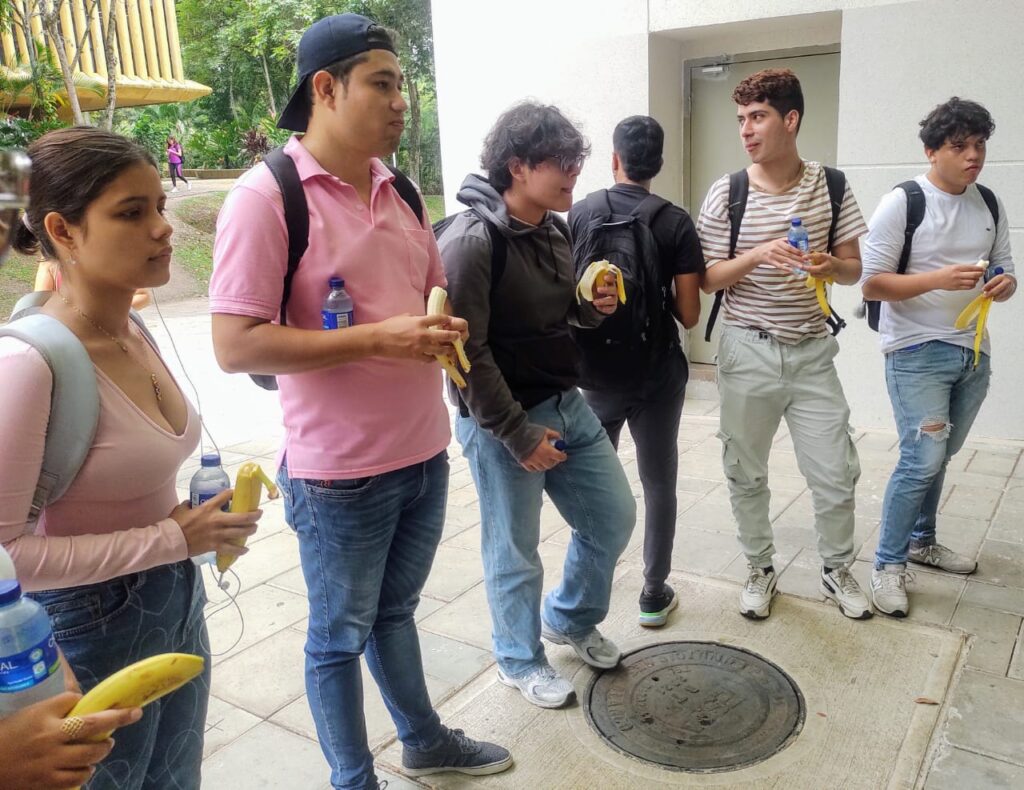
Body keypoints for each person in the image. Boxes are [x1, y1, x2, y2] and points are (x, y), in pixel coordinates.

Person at [208, 14, 512, 789]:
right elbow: (237, 344)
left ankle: (424, 740)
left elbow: (420, 303)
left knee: (396, 615)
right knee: (339, 637)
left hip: (422, 452)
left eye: (402, 84)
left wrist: (441, 329)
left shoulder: (400, 187)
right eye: (382, 83)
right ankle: (353, 777)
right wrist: (380, 339)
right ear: (325, 88)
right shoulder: (266, 197)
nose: (400, 101)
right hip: (340, 474)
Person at [2, 126, 262, 790]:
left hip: (173, 595)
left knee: (176, 779)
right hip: (84, 629)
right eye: (130, 212)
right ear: (63, 230)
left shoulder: (134, 327)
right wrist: (172, 536)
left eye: (159, 207)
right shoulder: (30, 362)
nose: (161, 229)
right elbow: (9, 559)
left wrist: (191, 523)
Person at [437, 101, 636, 710]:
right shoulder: (472, 240)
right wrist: (519, 435)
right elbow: (468, 353)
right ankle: (518, 660)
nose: (574, 173)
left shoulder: (552, 227)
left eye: (576, 160)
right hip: (502, 419)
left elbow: (555, 315)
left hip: (564, 401)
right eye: (561, 162)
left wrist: (589, 304)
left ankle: (570, 617)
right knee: (515, 549)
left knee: (613, 517)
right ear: (517, 166)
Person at [695, 68, 872, 621]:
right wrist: (758, 254)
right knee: (745, 470)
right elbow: (707, 278)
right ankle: (759, 566)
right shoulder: (729, 192)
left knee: (836, 472)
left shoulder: (832, 185)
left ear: (790, 120)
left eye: (758, 117)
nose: (746, 130)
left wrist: (831, 265)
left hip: (812, 351)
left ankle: (836, 569)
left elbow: (854, 271)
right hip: (747, 349)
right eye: (742, 119)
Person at [861, 97, 1016, 617]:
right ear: (932, 152)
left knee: (940, 456)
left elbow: (1006, 270)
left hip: (972, 352)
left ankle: (922, 541)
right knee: (921, 457)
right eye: (960, 146)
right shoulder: (903, 202)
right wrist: (938, 279)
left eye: (979, 145)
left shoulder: (989, 203)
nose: (973, 156)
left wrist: (1003, 283)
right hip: (915, 352)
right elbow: (872, 284)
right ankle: (886, 565)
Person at [568, 115, 703, 628]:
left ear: (615, 159)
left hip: (595, 375)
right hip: (655, 376)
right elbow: (690, 315)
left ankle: (588, 591)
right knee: (658, 481)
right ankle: (652, 593)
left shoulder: (579, 214)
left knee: (593, 487)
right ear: (659, 164)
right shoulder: (674, 222)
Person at [33, 259, 151, 311]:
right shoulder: (50, 263)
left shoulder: (111, 255)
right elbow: (40, 306)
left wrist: (106, 314)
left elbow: (143, 296)